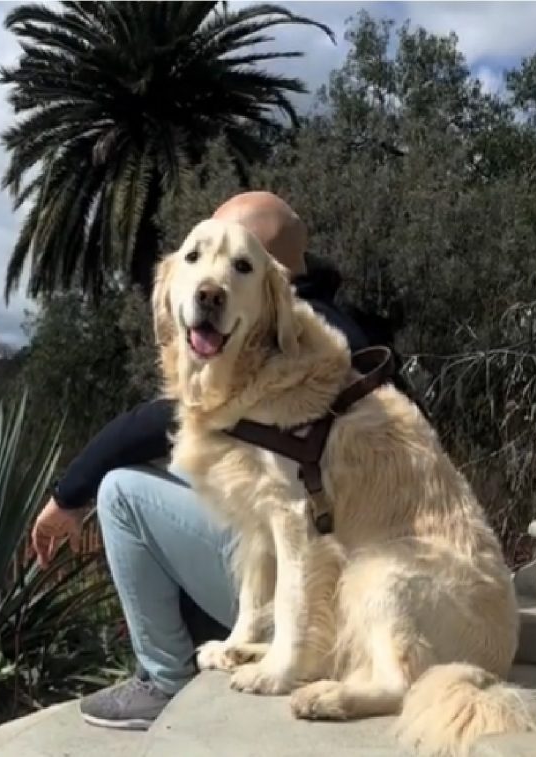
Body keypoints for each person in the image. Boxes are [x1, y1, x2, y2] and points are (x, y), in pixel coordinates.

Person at [30, 192, 395, 730]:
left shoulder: (294, 334)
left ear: (264, 269)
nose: (210, 279)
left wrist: (69, 495)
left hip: (316, 593)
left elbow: (161, 421)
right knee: (179, 472)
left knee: (121, 492)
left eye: (233, 258)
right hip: (350, 577)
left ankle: (163, 678)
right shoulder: (340, 325)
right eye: (198, 256)